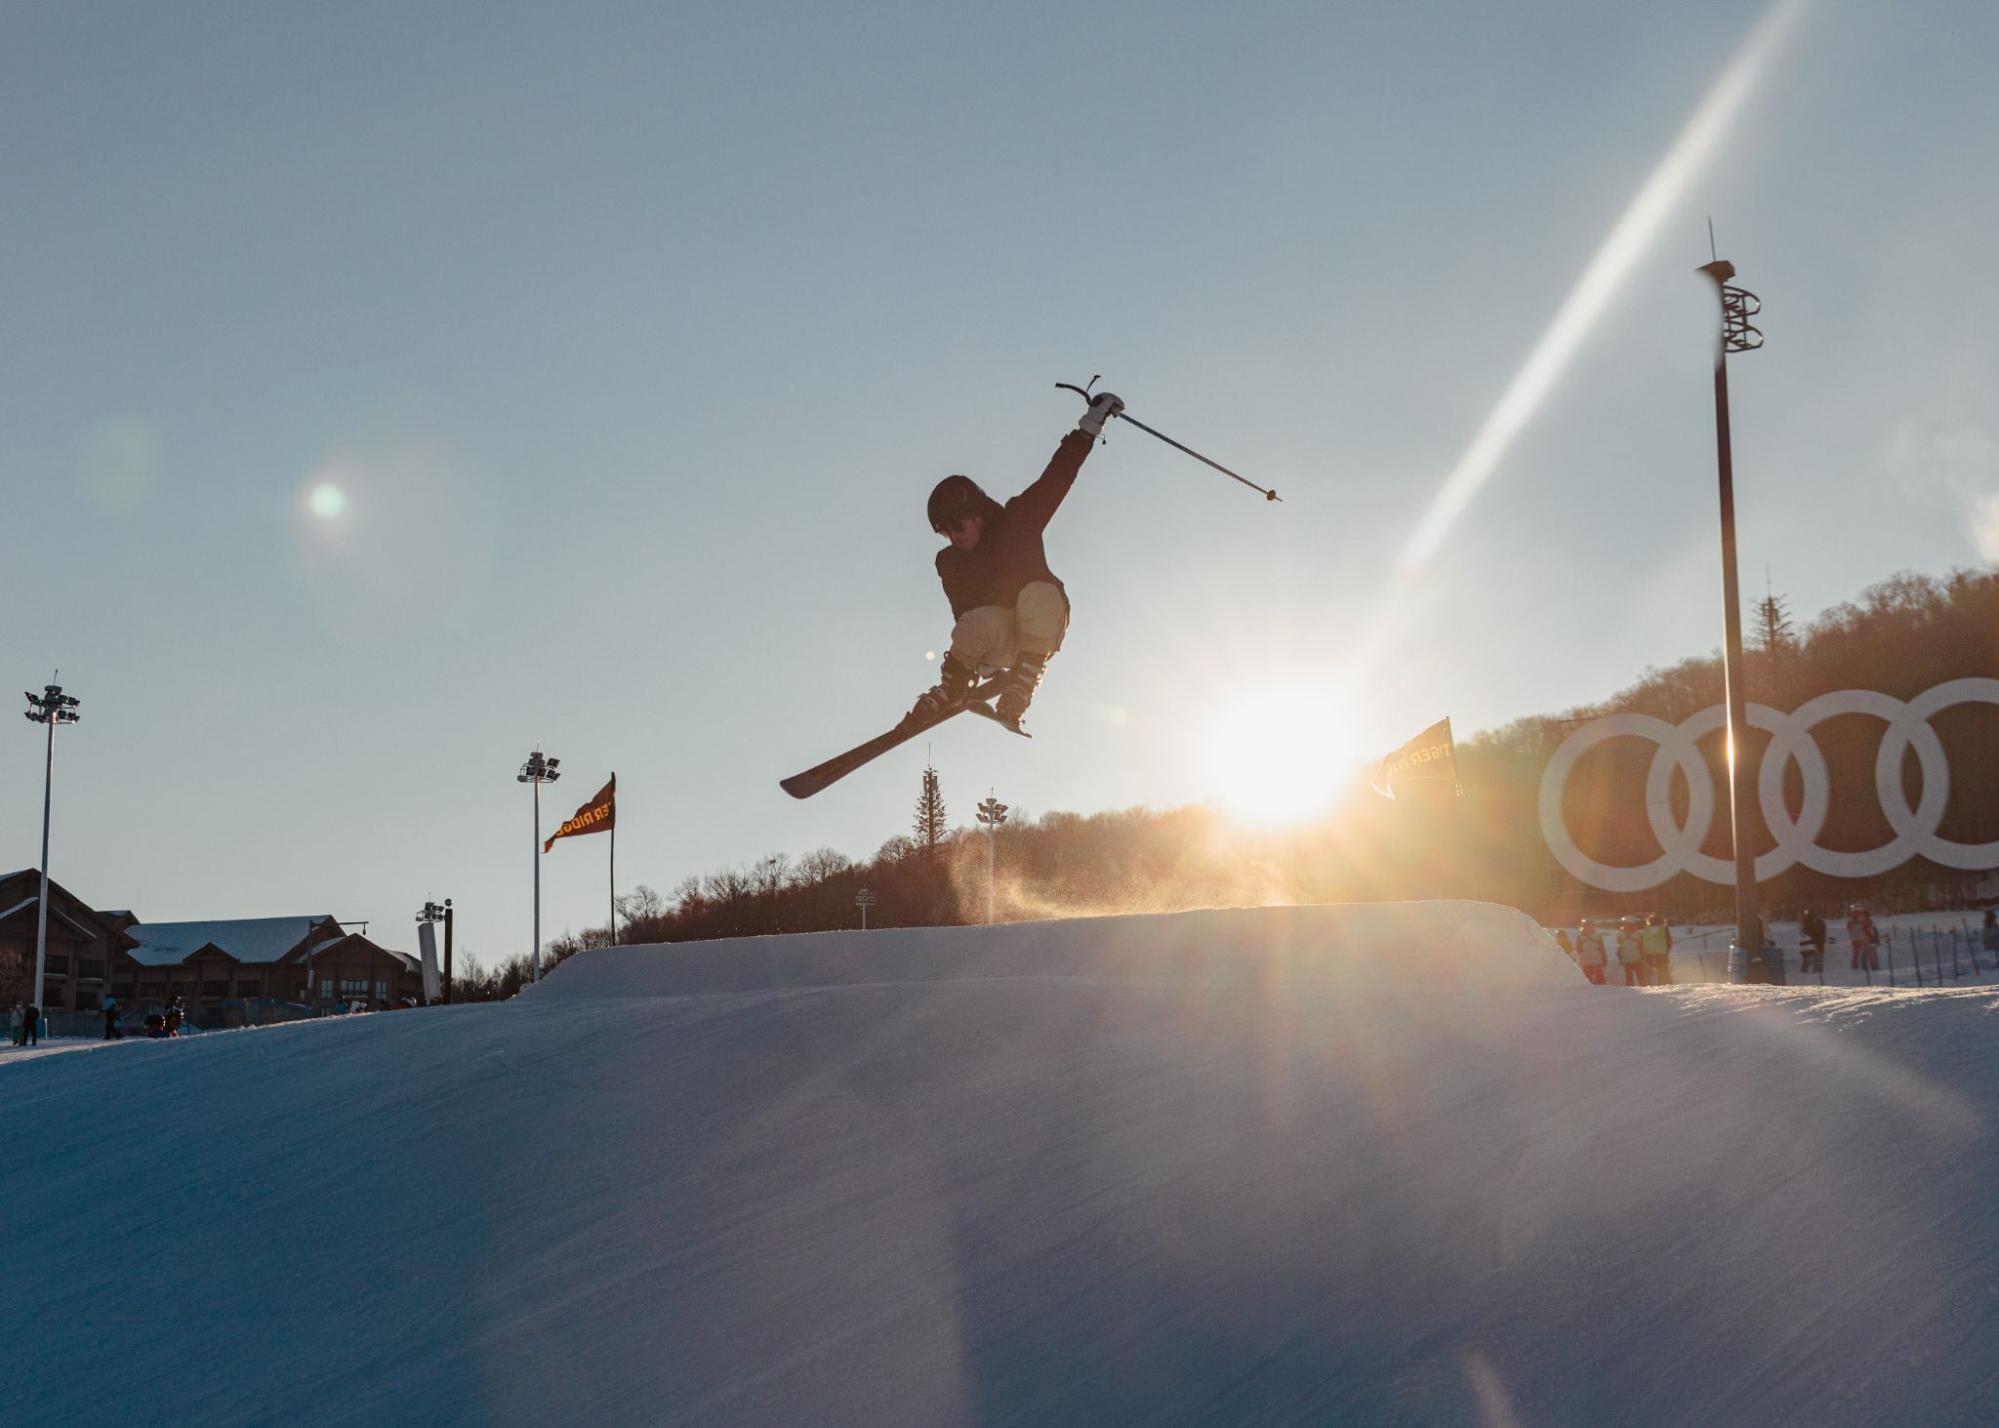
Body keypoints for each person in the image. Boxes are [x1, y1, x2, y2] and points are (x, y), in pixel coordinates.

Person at [909, 391, 1124, 728]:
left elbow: (1057, 477)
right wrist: (974, 668)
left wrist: (1089, 426)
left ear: (977, 515)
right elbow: (967, 619)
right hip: (999, 640)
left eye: (957, 526)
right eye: (945, 532)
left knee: (1039, 594)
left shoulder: (1018, 521)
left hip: (1041, 627)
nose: (954, 537)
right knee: (978, 622)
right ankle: (951, 687)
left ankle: (1023, 683)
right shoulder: (950, 563)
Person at [1845, 904, 1880, 973]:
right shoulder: (1863, 918)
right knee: (1869, 953)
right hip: (1863, 938)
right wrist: (1873, 937)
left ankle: (1855, 969)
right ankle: (1873, 968)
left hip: (1854, 938)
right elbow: (1867, 928)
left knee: (1857, 954)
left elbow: (1848, 928)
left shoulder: (1850, 919)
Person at [1640, 913, 1673, 986]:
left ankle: (1649, 986)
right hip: (1661, 954)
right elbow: (1669, 941)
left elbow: (1643, 941)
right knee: (1663, 971)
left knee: (1650, 972)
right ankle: (1666, 985)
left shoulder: (1647, 930)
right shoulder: (1663, 929)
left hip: (1649, 954)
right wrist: (1666, 951)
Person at [1574, 919, 1607, 985]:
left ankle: (1600, 982)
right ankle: (1589, 983)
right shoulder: (1580, 936)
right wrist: (1580, 951)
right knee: (1587, 970)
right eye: (1587, 925)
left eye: (1590, 925)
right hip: (1586, 955)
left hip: (1596, 954)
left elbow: (1601, 945)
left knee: (1598, 970)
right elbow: (1577, 947)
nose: (1588, 927)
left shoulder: (1597, 934)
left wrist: (1603, 955)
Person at [1615, 917, 1644, 987]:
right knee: (1630, 976)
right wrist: (1619, 956)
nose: (1629, 926)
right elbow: (1618, 947)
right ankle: (1632, 989)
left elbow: (1642, 946)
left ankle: (1640, 987)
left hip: (1635, 958)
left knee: (1638, 975)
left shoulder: (1638, 934)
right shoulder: (1620, 934)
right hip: (1629, 958)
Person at [1799, 906, 1827, 977]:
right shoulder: (1819, 922)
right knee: (1817, 958)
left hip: (1807, 943)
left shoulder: (1805, 923)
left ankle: (1804, 972)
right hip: (1817, 943)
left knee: (1807, 958)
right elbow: (1821, 933)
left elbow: (1803, 933)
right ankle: (1817, 971)